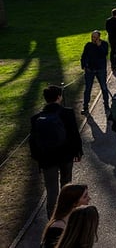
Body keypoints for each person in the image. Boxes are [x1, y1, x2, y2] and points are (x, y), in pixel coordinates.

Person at [29, 85, 83, 216]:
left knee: (51, 189)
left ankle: (52, 218)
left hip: (47, 159)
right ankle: (68, 213)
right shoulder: (67, 113)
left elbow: (33, 141)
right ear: (59, 97)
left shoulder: (36, 118)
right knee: (67, 185)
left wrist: (38, 159)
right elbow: (74, 134)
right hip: (66, 155)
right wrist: (78, 151)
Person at [41, 184, 90, 248]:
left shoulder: (75, 217)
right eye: (85, 196)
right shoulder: (57, 227)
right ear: (74, 202)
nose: (89, 198)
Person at [80, 30, 109, 116]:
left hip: (100, 70)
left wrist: (99, 46)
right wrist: (84, 65)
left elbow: (104, 54)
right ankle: (85, 107)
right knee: (88, 89)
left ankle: (106, 105)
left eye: (95, 37)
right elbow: (84, 56)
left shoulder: (104, 44)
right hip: (90, 70)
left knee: (104, 87)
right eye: (92, 37)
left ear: (99, 37)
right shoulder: (88, 45)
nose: (94, 39)